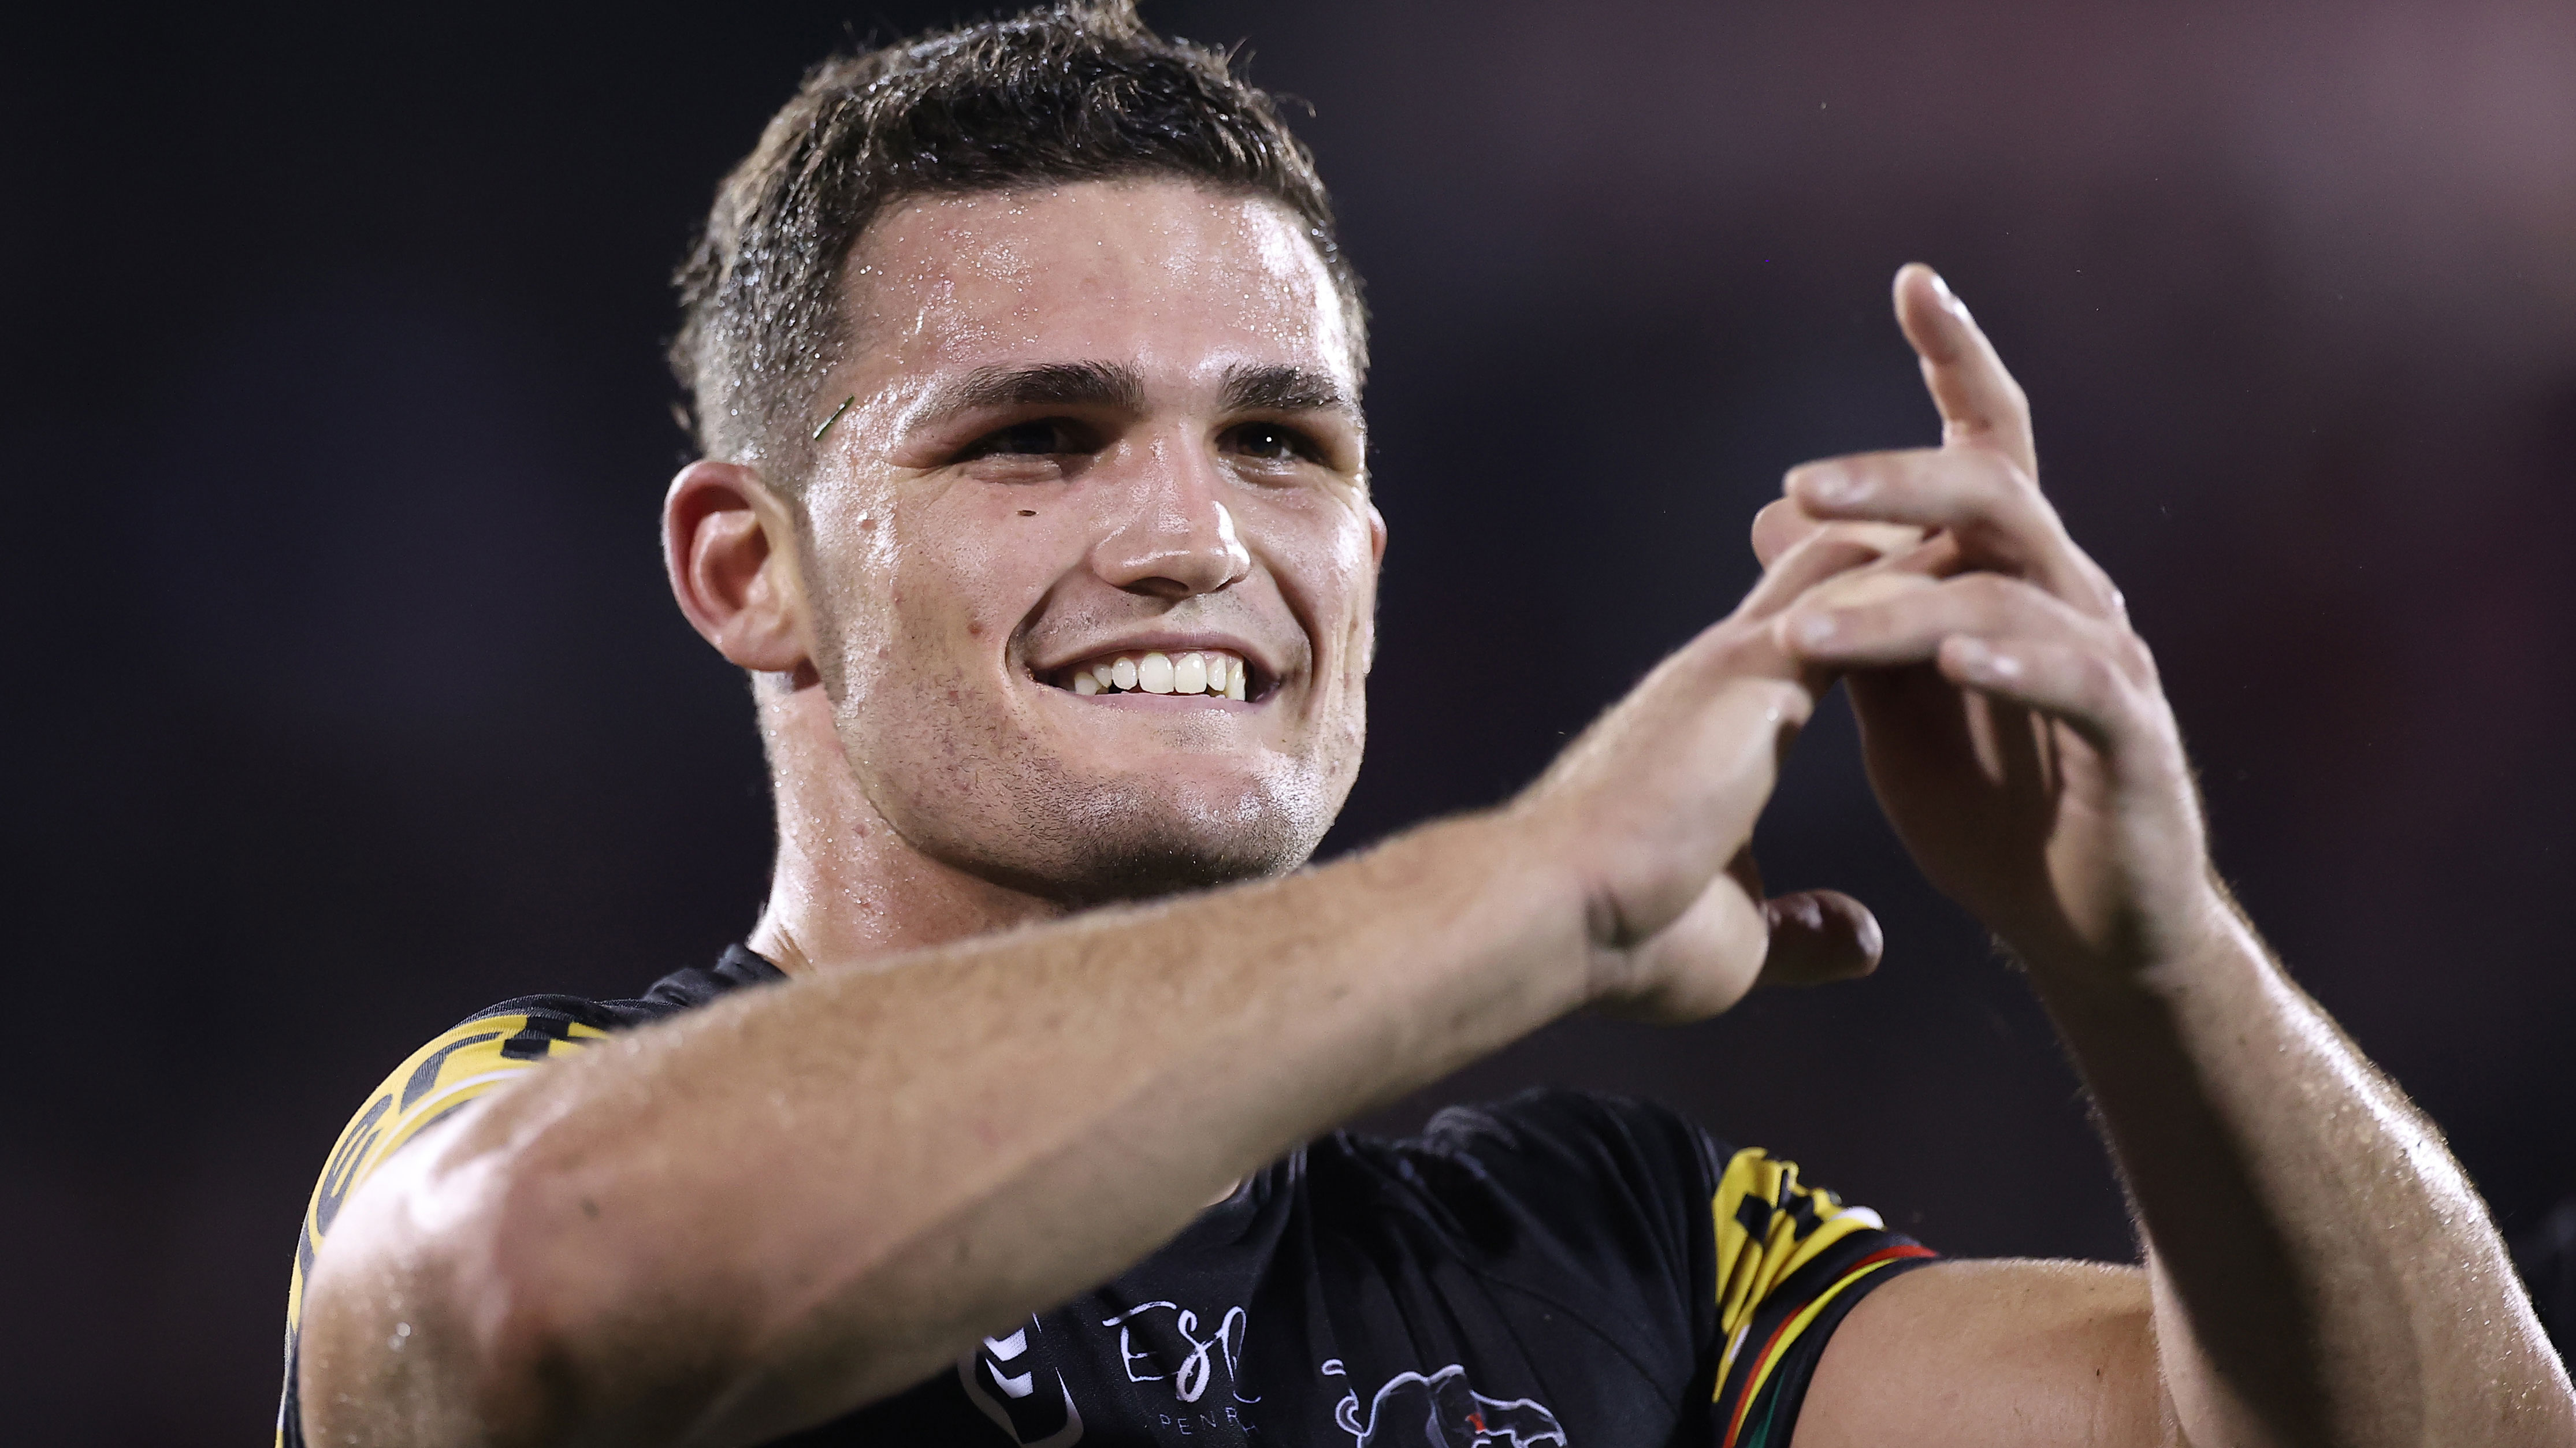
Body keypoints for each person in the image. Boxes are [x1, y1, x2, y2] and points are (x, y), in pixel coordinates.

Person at [280, 5, 2574, 1446]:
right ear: (743, 569)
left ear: (1370, 553)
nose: (1197, 538)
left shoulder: (1624, 1262)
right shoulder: (523, 1132)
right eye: (1038, 438)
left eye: (1281, 443)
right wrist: (1536, 883)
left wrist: (2148, 955)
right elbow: (530, 1298)